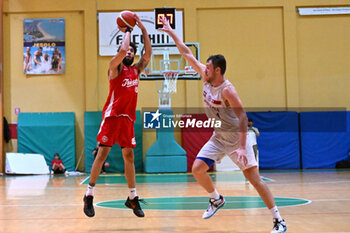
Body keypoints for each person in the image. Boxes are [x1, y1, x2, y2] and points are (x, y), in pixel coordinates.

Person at [159, 17, 287, 233]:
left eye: (208, 68)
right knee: (197, 169)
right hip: (219, 137)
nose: (204, 70)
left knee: (254, 179)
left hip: (237, 139)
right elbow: (187, 53)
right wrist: (170, 31)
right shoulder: (206, 78)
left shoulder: (228, 90)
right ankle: (216, 199)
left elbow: (243, 118)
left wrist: (241, 147)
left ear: (218, 71)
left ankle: (278, 220)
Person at [83, 14, 152, 218]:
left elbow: (147, 54)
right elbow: (122, 50)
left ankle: (132, 198)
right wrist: (129, 29)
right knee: (102, 153)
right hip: (112, 117)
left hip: (127, 120)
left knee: (128, 156)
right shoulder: (115, 67)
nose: (129, 52)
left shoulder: (136, 71)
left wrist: (144, 30)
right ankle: (89, 195)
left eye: (132, 51)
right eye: (127, 51)